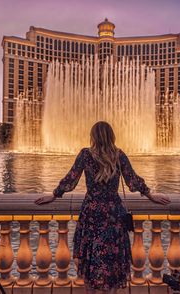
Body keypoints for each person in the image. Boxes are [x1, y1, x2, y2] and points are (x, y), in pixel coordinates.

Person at [35, 121, 170, 294]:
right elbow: (133, 180)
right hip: (113, 213)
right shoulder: (119, 155)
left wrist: (53, 195)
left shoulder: (85, 155)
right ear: (111, 136)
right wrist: (151, 195)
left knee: (90, 258)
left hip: (91, 213)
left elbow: (71, 179)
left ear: (93, 137)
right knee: (112, 260)